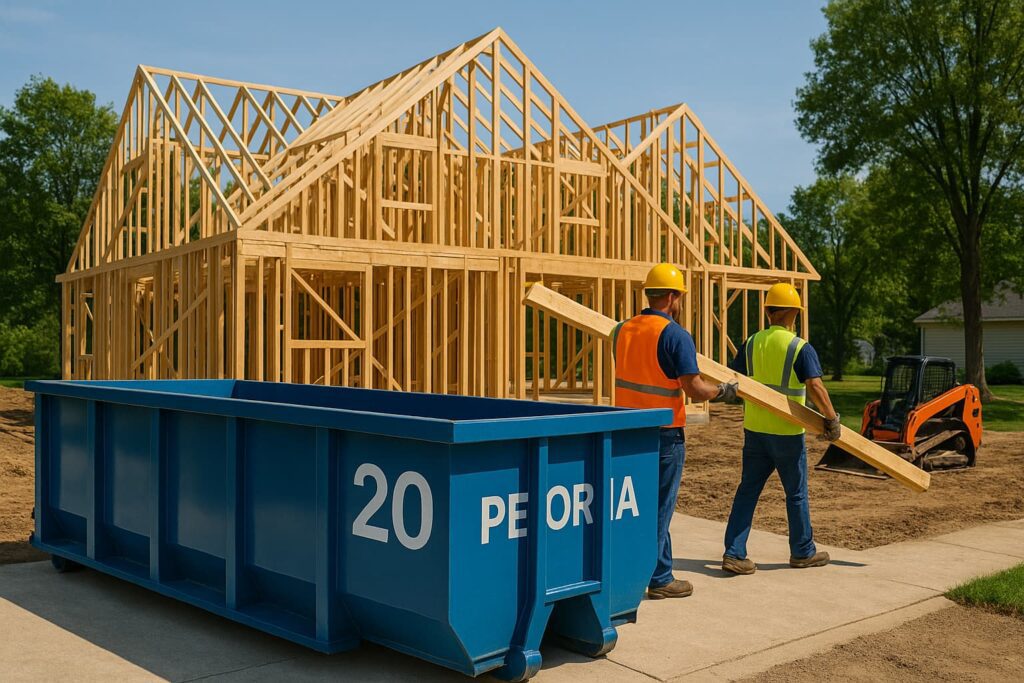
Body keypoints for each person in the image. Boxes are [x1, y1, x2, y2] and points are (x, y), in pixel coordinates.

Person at [613, 263, 738, 599]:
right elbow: (694, 388)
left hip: (625, 431)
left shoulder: (622, 330)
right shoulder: (675, 335)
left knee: (634, 507)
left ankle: (662, 575)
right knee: (658, 510)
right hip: (663, 434)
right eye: (679, 295)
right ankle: (646, 580)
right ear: (672, 297)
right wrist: (725, 391)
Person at [721, 282, 842, 575]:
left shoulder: (750, 343)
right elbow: (814, 385)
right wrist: (831, 419)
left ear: (769, 313)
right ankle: (802, 552)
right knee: (796, 494)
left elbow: (733, 380)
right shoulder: (799, 347)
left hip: (755, 431)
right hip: (787, 434)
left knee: (747, 491)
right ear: (792, 313)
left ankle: (734, 553)